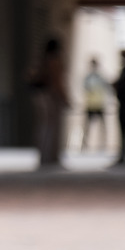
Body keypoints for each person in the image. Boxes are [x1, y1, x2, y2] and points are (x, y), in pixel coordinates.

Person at [29, 37, 69, 170]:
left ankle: (45, 157)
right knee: (50, 127)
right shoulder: (53, 61)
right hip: (49, 97)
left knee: (44, 127)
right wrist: (64, 98)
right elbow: (57, 82)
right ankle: (49, 158)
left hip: (40, 96)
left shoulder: (42, 60)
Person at [80, 56, 110, 151]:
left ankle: (103, 143)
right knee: (87, 127)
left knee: (102, 126)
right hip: (91, 105)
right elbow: (85, 89)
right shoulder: (88, 78)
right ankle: (85, 144)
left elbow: (106, 89)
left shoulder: (100, 77)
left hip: (99, 104)